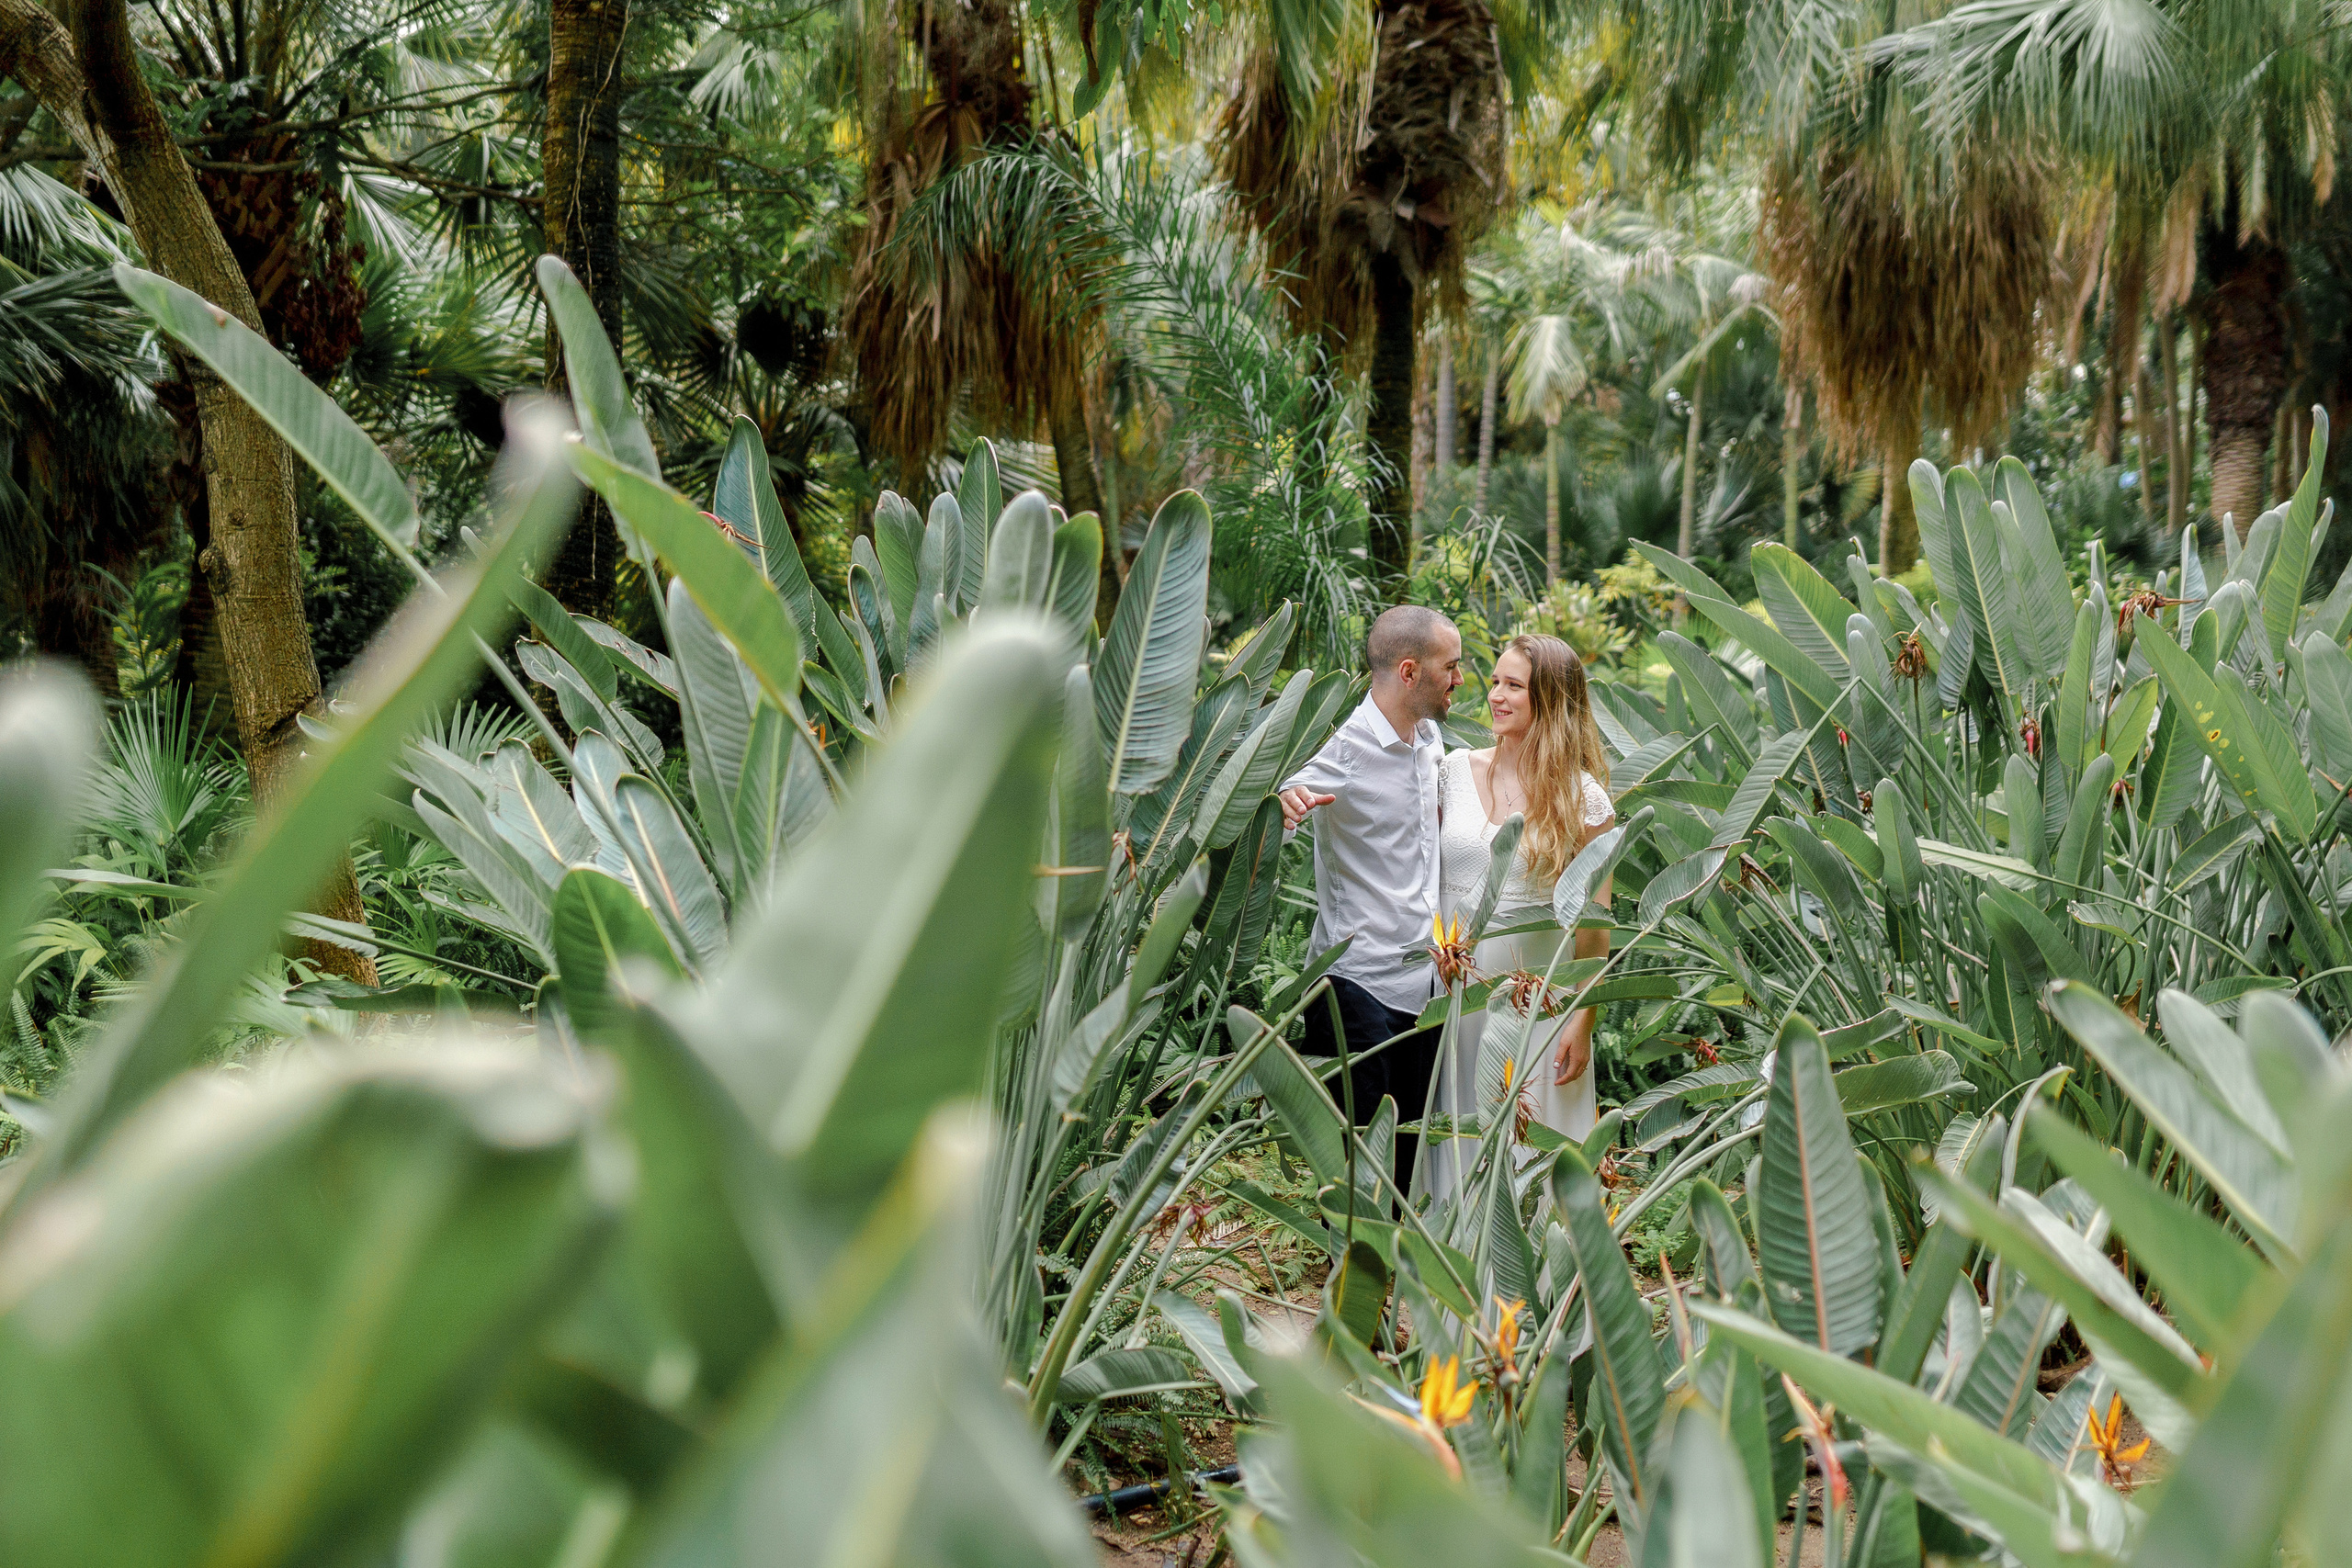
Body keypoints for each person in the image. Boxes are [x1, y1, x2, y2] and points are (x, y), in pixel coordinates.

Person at [1421, 633, 1614, 1207]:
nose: (1497, 697)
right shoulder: (1451, 771)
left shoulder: (1583, 798)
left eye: (1515, 687)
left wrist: (1582, 1020)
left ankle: (1544, 1290)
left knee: (1534, 1149)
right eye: (1496, 682)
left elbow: (1595, 929)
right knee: (1460, 1140)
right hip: (1457, 999)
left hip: (1537, 1009)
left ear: (1551, 702)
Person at [1277, 604, 1464, 1195]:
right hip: (1354, 987)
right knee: (1357, 1168)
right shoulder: (1344, 746)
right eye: (1450, 667)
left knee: (1408, 1162)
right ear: (1409, 672)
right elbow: (1285, 779)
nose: (1460, 680)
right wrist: (1285, 796)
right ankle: (1351, 1280)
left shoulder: (1431, 739)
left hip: (1425, 984)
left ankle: (1399, 1286)